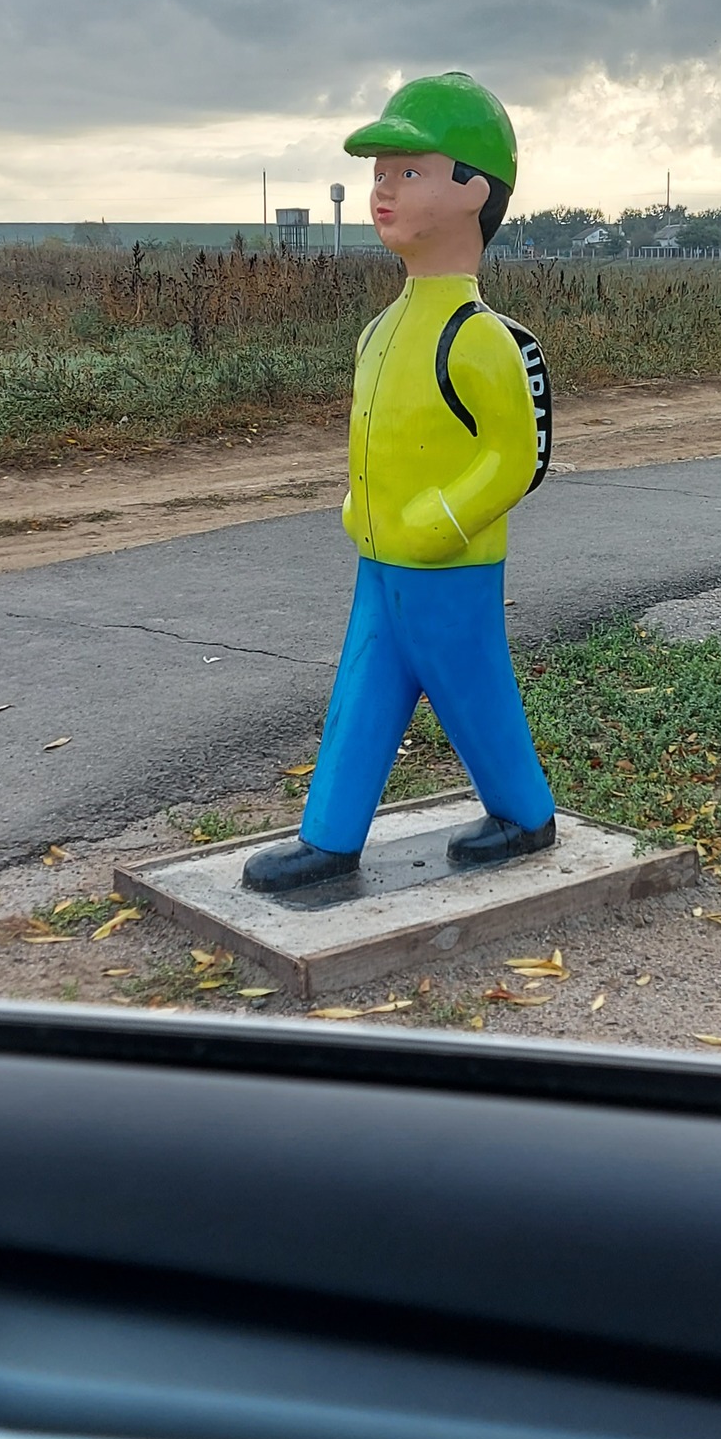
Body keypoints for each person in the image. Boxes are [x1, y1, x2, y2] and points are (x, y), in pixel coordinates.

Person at [243, 72, 556, 894]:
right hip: (382, 559)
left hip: (449, 565)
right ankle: (331, 836)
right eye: (381, 173)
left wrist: (443, 517)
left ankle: (525, 813)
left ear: (473, 192)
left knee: (472, 687)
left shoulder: (480, 337)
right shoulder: (380, 330)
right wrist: (364, 506)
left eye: (408, 172)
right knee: (365, 691)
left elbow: (518, 457)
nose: (384, 189)